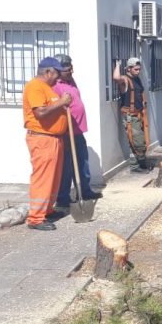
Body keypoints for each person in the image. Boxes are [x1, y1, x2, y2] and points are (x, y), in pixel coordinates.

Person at [22, 57, 72, 231]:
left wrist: (62, 105)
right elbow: (40, 112)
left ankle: (47, 210)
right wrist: (62, 102)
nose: (58, 77)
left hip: (54, 139)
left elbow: (53, 108)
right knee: (43, 178)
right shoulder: (34, 86)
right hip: (42, 139)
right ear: (47, 71)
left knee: (53, 178)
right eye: (56, 72)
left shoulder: (48, 88)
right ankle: (35, 218)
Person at [52, 55, 102, 212]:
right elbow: (55, 107)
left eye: (71, 68)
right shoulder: (54, 86)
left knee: (82, 163)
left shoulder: (70, 81)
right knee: (66, 167)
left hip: (78, 130)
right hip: (66, 132)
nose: (71, 71)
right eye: (67, 70)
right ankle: (63, 199)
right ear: (59, 71)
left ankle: (85, 192)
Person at [112, 57, 152, 173]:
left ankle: (139, 164)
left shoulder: (137, 79)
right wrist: (118, 65)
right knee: (138, 142)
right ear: (129, 69)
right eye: (136, 69)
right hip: (131, 116)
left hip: (139, 115)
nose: (138, 71)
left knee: (136, 141)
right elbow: (116, 78)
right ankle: (136, 166)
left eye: (139, 69)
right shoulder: (125, 80)